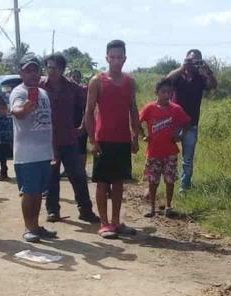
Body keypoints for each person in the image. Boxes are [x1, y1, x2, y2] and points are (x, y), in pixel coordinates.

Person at [84, 40, 139, 239]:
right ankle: (104, 223)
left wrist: (135, 135)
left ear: (125, 58)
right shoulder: (97, 81)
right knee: (102, 183)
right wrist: (92, 139)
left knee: (118, 182)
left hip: (122, 139)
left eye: (119, 57)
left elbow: (133, 109)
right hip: (103, 138)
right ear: (107, 58)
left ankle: (116, 222)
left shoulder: (129, 81)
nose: (116, 61)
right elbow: (89, 112)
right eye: (112, 57)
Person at [41, 54, 98, 223]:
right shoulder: (40, 87)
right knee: (51, 177)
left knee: (78, 176)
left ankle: (85, 210)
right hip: (47, 140)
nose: (52, 71)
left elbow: (88, 107)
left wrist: (82, 127)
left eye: (56, 67)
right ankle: (52, 211)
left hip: (69, 139)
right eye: (49, 67)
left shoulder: (72, 87)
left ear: (62, 69)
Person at [10, 53, 57, 243]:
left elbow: (48, 123)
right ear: (21, 72)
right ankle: (28, 228)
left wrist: (53, 151)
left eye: (35, 69)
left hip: (44, 153)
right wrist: (25, 109)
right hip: (26, 154)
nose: (31, 74)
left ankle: (36, 226)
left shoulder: (43, 93)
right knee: (29, 192)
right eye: (27, 70)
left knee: (38, 193)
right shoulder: (19, 92)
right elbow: (17, 111)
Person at [164, 49, 217, 192]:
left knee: (187, 160)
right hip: (173, 122)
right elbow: (166, 80)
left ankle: (184, 188)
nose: (193, 63)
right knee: (167, 155)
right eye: (191, 60)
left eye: (197, 60)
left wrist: (208, 71)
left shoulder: (201, 78)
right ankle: (162, 183)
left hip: (191, 124)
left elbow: (213, 85)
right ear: (185, 59)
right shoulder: (178, 76)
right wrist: (182, 67)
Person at [139, 79, 191, 218]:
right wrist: (143, 135)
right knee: (153, 181)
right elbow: (137, 121)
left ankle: (168, 206)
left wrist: (180, 135)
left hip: (170, 152)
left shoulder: (176, 109)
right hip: (153, 152)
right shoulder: (149, 108)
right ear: (157, 92)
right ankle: (152, 208)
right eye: (163, 92)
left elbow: (187, 123)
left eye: (169, 92)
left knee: (170, 180)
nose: (166, 95)